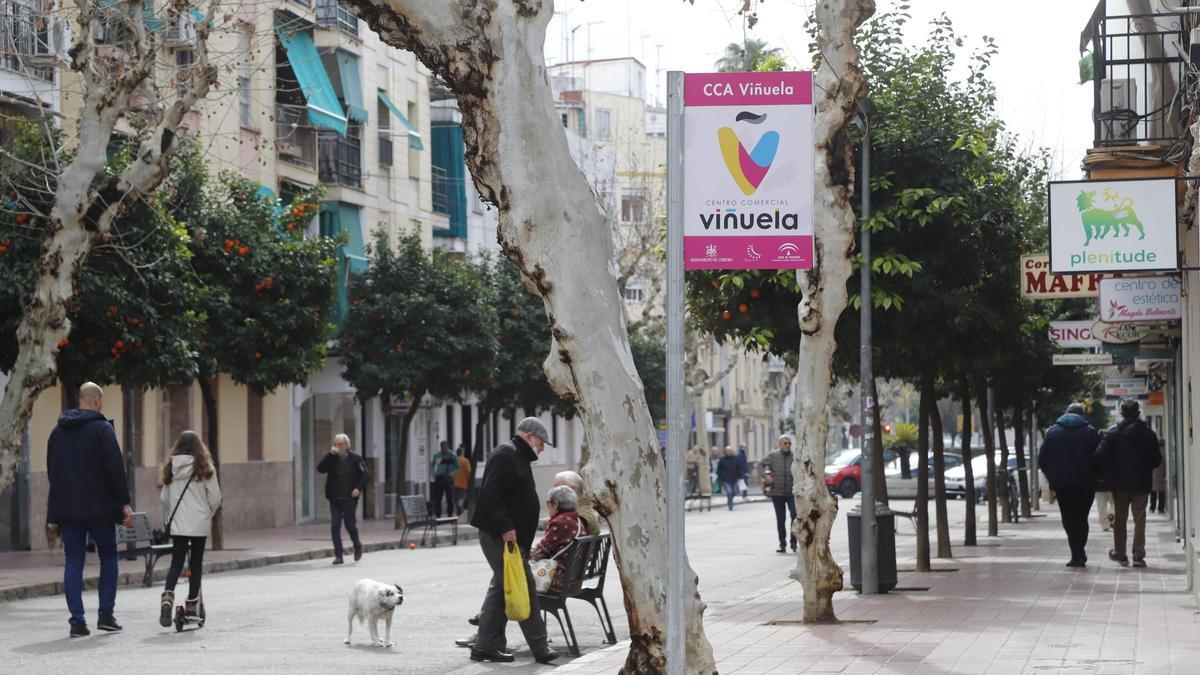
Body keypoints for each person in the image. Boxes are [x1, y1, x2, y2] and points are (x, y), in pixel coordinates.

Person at [467, 417, 558, 664]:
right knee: (525, 587)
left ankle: (484, 647)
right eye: (541, 443)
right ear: (529, 436)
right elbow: (491, 493)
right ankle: (540, 647)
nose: (541, 448)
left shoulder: (518, 455)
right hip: (499, 536)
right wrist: (506, 527)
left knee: (501, 590)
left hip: (511, 540)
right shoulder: (507, 453)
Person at [46, 382, 133, 638]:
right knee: (108, 556)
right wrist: (124, 504)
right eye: (101, 401)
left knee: (73, 561)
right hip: (100, 509)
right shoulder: (102, 429)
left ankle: (77, 622)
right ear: (96, 400)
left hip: (68, 509)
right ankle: (106, 614)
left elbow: (52, 470)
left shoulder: (56, 432)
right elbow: (115, 469)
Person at [157, 431, 222, 627]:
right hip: (199, 523)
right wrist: (207, 513)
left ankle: (168, 596)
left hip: (179, 524)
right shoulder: (206, 468)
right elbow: (215, 497)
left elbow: (164, 499)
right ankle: (192, 606)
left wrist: (169, 518)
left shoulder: (171, 468)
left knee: (176, 563)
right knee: (195, 564)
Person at [1094, 399, 1162, 568]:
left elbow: (1098, 457)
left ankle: (1121, 554)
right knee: (1140, 519)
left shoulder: (1112, 433)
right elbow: (1156, 460)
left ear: (1122, 413)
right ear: (1138, 413)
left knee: (1120, 519)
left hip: (1120, 484)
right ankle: (1138, 555)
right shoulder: (1149, 434)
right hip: (1142, 484)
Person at [1036, 403, 1101, 567]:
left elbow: (1042, 460)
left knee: (1068, 518)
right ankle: (1080, 551)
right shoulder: (1090, 432)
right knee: (1081, 518)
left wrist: (1052, 477)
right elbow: (1100, 456)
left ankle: (1076, 553)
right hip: (1086, 484)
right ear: (1082, 415)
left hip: (1062, 484)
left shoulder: (1052, 433)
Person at [316, 433, 368, 565]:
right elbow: (320, 469)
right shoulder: (332, 458)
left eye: (339, 444)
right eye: (335, 444)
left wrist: (358, 488)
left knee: (350, 525)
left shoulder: (356, 459)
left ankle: (357, 545)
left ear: (346, 445)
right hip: (335, 498)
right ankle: (338, 555)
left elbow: (365, 475)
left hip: (349, 498)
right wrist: (330, 455)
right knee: (335, 526)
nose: (337, 447)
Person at [760, 434, 798, 553]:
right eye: (785, 443)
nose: (787, 445)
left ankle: (793, 542)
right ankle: (782, 544)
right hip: (777, 492)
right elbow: (759, 465)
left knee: (794, 515)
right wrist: (766, 476)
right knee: (780, 519)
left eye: (789, 443)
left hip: (792, 492)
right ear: (780, 444)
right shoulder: (773, 456)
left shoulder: (795, 457)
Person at [532, 485, 583, 562]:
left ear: (555, 504)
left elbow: (541, 551)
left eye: (548, 503)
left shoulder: (559, 523)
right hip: (574, 568)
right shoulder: (576, 519)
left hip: (558, 570)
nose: (547, 507)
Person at [553, 470, 601, 535]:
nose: (554, 493)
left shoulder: (580, 515)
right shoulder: (584, 510)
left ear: (572, 489)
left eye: (558, 489)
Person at [430, 440, 460, 517]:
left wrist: (452, 474)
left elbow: (458, 467)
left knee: (449, 497)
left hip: (448, 478)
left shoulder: (452, 455)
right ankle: (438, 514)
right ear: (441, 447)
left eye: (445, 447)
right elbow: (432, 465)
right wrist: (434, 473)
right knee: (438, 498)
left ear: (447, 447)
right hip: (439, 478)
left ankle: (450, 514)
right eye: (443, 448)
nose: (444, 449)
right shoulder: (437, 455)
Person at [716, 446, 743, 511]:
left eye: (730, 451)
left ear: (732, 451)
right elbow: (719, 470)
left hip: (734, 478)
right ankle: (730, 505)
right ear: (725, 452)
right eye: (727, 451)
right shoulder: (722, 460)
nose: (729, 452)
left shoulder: (736, 459)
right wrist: (722, 476)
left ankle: (729, 500)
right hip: (726, 479)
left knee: (735, 491)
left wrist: (740, 476)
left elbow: (739, 468)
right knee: (729, 492)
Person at [454, 445, 472, 514]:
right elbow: (468, 472)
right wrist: (469, 480)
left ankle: (457, 508)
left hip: (454, 482)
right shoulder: (465, 461)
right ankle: (459, 505)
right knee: (462, 497)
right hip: (463, 482)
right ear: (462, 453)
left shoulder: (454, 460)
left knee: (455, 497)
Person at [1150, 440, 1166, 514]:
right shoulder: (1165, 453)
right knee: (1161, 493)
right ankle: (1161, 508)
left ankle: (1152, 507)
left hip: (1154, 475)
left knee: (1153, 492)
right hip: (1162, 476)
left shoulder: (1153, 452)